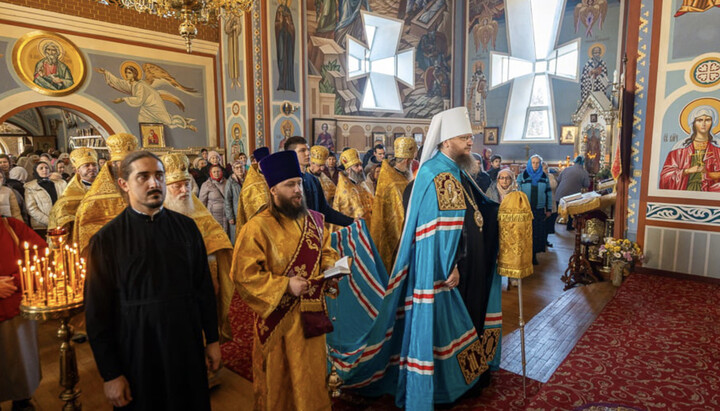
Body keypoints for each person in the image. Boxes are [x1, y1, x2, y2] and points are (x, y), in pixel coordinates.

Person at [85, 151, 220, 410]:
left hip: (185, 344)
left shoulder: (187, 228)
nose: (153, 183)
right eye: (143, 177)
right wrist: (111, 373)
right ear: (124, 184)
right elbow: (97, 312)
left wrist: (212, 340)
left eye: (159, 176)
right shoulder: (106, 240)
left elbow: (203, 288)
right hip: (136, 347)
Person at [231, 150, 339, 410]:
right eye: (289, 185)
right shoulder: (257, 228)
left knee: (311, 375)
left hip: (312, 315)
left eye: (299, 182)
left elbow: (327, 251)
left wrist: (332, 269)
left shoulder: (314, 220)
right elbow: (243, 275)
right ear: (273, 190)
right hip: (278, 319)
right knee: (281, 380)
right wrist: (285, 285)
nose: (297, 189)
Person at [162, 153, 234, 341]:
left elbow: (216, 242)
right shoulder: (157, 218)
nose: (184, 190)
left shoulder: (199, 211)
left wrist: (215, 276)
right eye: (177, 186)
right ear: (165, 188)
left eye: (186, 185)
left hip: (202, 284)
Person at [1, 216, 46, 411]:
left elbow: (42, 256)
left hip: (15, 308)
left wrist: (16, 280)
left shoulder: (11, 226)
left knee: (19, 365)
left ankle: (21, 402)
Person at [73, 133, 138, 257]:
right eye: (121, 163)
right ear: (113, 165)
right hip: (111, 254)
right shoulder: (93, 200)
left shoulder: (145, 186)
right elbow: (87, 233)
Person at [369, 137, 417, 273]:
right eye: (412, 161)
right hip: (394, 235)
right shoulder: (392, 181)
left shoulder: (395, 174)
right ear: (407, 161)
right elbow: (399, 216)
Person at [285, 137, 354, 227]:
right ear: (291, 154)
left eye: (308, 149)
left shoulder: (313, 180)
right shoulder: (285, 182)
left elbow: (325, 210)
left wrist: (351, 221)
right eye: (302, 150)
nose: (307, 153)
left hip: (314, 232)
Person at [659, 105, 720, 192]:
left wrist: (708, 174)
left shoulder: (718, 149)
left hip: (708, 191)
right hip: (685, 190)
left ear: (712, 122)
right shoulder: (680, 149)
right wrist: (687, 171)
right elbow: (665, 176)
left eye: (707, 120)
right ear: (693, 123)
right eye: (699, 120)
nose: (703, 124)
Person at [48, 148, 99, 237]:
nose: (92, 168)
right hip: (81, 236)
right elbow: (61, 218)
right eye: (87, 165)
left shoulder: (109, 188)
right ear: (77, 170)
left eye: (94, 165)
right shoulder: (69, 194)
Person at [517, 155, 553, 265]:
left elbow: (548, 194)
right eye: (533, 162)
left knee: (536, 233)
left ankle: (533, 256)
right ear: (529, 163)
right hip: (525, 209)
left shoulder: (544, 177)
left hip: (539, 210)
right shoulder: (522, 176)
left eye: (538, 163)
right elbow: (517, 193)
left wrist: (549, 209)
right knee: (525, 234)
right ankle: (524, 256)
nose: (535, 165)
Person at [232, 147, 272, 241]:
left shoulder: (273, 174)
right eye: (263, 161)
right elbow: (247, 200)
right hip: (258, 219)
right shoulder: (252, 178)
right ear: (256, 162)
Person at [24, 161, 67, 236]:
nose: (44, 170)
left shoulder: (59, 183)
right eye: (41, 168)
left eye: (46, 168)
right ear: (36, 171)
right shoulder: (30, 187)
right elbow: (32, 209)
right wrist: (49, 221)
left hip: (60, 221)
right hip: (41, 225)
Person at [333, 148, 374, 225]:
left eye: (360, 165)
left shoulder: (360, 185)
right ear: (348, 170)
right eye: (356, 166)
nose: (360, 168)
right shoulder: (345, 190)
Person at [555, 155, 591, 230]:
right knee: (573, 212)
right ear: (582, 163)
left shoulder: (566, 169)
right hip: (573, 196)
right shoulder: (584, 172)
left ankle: (551, 229)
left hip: (560, 194)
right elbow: (587, 184)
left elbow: (558, 180)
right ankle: (570, 226)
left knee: (556, 211)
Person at [199, 164, 230, 235]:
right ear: (211, 173)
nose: (216, 173)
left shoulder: (227, 182)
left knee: (226, 234)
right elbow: (202, 202)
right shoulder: (206, 185)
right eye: (214, 172)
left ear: (221, 172)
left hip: (226, 213)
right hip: (213, 214)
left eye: (218, 171)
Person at [224, 159, 246, 243]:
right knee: (237, 237)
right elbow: (227, 200)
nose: (239, 169)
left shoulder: (248, 179)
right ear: (233, 170)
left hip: (247, 212)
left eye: (241, 167)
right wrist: (230, 216)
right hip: (236, 213)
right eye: (237, 168)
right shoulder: (230, 182)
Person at [543, 161, 559, 242]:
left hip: (552, 199)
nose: (547, 170)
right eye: (545, 169)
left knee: (551, 220)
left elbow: (555, 185)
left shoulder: (551, 176)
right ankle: (542, 240)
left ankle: (546, 239)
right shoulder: (540, 177)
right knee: (544, 223)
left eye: (547, 168)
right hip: (544, 203)